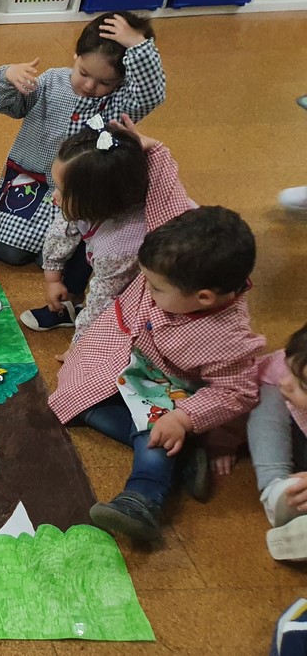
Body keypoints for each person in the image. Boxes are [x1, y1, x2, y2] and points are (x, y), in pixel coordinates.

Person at [49, 206, 265, 542]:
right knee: (77, 405)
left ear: (203, 298)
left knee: (155, 430)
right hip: (129, 361)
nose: (145, 289)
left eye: (155, 288)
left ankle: (142, 499)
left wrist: (183, 419)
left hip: (170, 389)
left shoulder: (228, 337)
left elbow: (236, 391)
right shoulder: (173, 266)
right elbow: (164, 191)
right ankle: (185, 455)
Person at [0, 11, 166, 267]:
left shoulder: (121, 101)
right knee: (8, 253)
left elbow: (151, 95)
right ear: (76, 55)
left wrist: (139, 46)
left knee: (57, 257)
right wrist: (7, 76)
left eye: (105, 82)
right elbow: (7, 106)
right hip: (34, 182)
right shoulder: (51, 81)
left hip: (80, 193)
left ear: (122, 80)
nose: (90, 86)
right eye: (84, 72)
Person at [19, 114, 194, 341]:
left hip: (173, 279)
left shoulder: (118, 248)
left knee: (128, 320)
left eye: (62, 190)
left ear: (95, 203)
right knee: (77, 241)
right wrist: (53, 278)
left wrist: (79, 346)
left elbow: (101, 302)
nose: (53, 196)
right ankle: (71, 303)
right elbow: (62, 232)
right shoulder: (95, 199)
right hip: (112, 245)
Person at [246, 325, 307, 561]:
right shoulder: (290, 368)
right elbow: (239, 394)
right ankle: (275, 490)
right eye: (288, 368)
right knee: (270, 395)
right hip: (295, 446)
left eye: (303, 386)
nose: (285, 381)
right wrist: (222, 442)